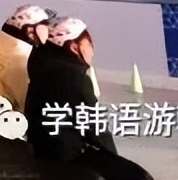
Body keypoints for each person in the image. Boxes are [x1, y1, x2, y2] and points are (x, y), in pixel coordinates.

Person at [24, 17, 153, 180]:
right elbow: (95, 128)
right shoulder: (73, 78)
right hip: (66, 157)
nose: (92, 51)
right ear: (73, 46)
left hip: (40, 150)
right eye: (89, 44)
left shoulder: (41, 64)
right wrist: (113, 159)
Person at [0, 4, 50, 110]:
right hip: (10, 119)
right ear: (30, 32)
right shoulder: (20, 58)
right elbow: (24, 101)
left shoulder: (1, 45)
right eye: (43, 27)